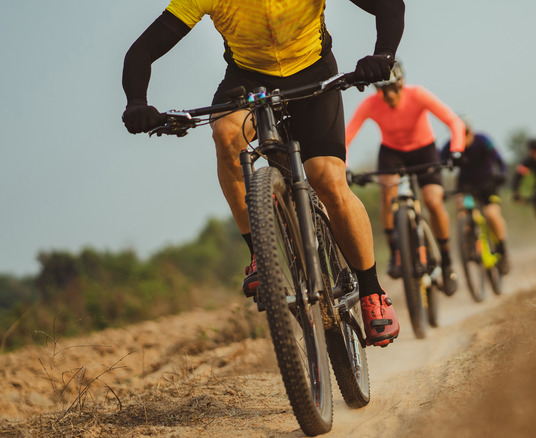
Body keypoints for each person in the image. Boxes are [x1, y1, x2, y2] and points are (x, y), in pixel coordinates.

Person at [120, 0, 405, 347]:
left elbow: (389, 5)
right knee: (226, 135)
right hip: (248, 80)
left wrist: (384, 54)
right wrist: (136, 101)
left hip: (312, 71)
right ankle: (260, 253)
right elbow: (141, 52)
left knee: (327, 178)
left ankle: (371, 292)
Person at [345, 61, 464, 296]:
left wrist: (456, 149)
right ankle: (394, 253)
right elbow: (346, 137)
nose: (389, 95)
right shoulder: (369, 104)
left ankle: (447, 260)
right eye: (382, 90)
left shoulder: (418, 94)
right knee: (387, 191)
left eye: (393, 88)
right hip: (392, 152)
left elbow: (454, 122)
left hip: (424, 150)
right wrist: (345, 166)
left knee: (432, 201)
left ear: (402, 84)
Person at [441, 120, 510, 274]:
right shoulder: (450, 145)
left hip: (487, 183)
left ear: (470, 132)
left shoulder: (482, 140)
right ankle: (469, 240)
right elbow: (439, 164)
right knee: (461, 208)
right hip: (465, 185)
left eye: (465, 134)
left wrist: (503, 173)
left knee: (491, 215)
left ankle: (502, 250)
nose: (462, 138)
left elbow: (498, 158)